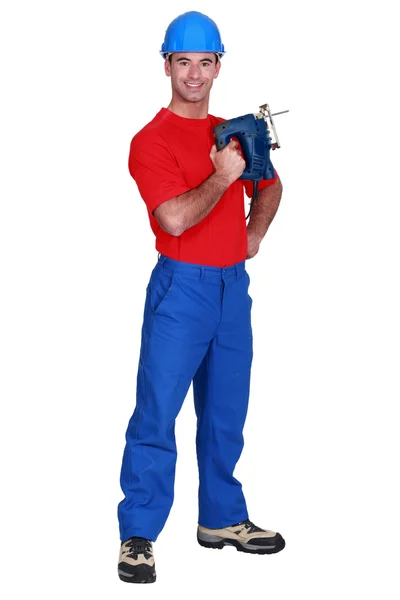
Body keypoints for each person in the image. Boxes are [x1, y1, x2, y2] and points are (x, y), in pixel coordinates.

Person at [117, 10, 285, 584]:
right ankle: (138, 535)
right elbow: (174, 217)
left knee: (225, 414)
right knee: (156, 414)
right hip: (181, 289)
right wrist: (221, 175)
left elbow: (272, 183)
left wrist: (254, 233)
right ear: (166, 65)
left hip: (232, 288)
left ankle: (222, 519)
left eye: (204, 62)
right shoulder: (150, 140)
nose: (194, 73)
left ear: (218, 66)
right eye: (183, 61)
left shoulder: (235, 129)